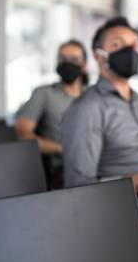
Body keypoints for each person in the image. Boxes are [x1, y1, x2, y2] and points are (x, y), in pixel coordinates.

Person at [61, 17, 138, 221]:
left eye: (134, 44)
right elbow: (78, 187)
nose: (130, 50)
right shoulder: (87, 109)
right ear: (99, 56)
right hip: (127, 211)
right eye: (117, 44)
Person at [16, 40, 88, 185]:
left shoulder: (93, 96)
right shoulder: (43, 93)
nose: (68, 63)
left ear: (84, 64)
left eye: (74, 59)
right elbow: (23, 134)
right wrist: (62, 149)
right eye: (63, 59)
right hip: (61, 169)